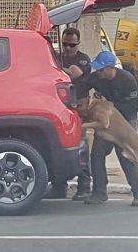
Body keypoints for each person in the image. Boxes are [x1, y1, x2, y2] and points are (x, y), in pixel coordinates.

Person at [82, 50, 138, 207]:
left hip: (125, 122)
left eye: (101, 69)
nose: (98, 72)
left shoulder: (127, 80)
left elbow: (132, 108)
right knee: (97, 153)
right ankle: (99, 192)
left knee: (126, 155)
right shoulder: (97, 77)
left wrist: (109, 106)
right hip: (105, 123)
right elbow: (82, 85)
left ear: (111, 68)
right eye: (97, 69)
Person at [44, 27, 94, 201]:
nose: (67, 48)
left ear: (78, 44)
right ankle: (59, 186)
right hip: (60, 108)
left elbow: (74, 73)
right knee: (58, 146)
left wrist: (56, 66)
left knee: (81, 147)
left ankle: (84, 187)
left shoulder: (83, 59)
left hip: (79, 108)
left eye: (72, 45)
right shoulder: (58, 58)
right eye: (65, 44)